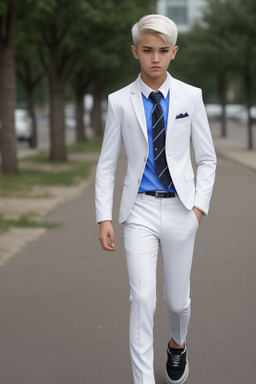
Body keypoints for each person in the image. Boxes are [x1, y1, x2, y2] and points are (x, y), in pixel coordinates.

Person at [95, 14, 216, 384]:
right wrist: (104, 217)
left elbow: (207, 158)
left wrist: (197, 209)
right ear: (135, 52)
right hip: (141, 210)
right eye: (147, 50)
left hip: (182, 210)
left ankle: (177, 345)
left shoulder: (191, 97)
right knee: (142, 299)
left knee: (177, 302)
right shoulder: (119, 102)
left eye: (163, 51)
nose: (155, 58)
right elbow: (106, 165)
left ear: (174, 52)